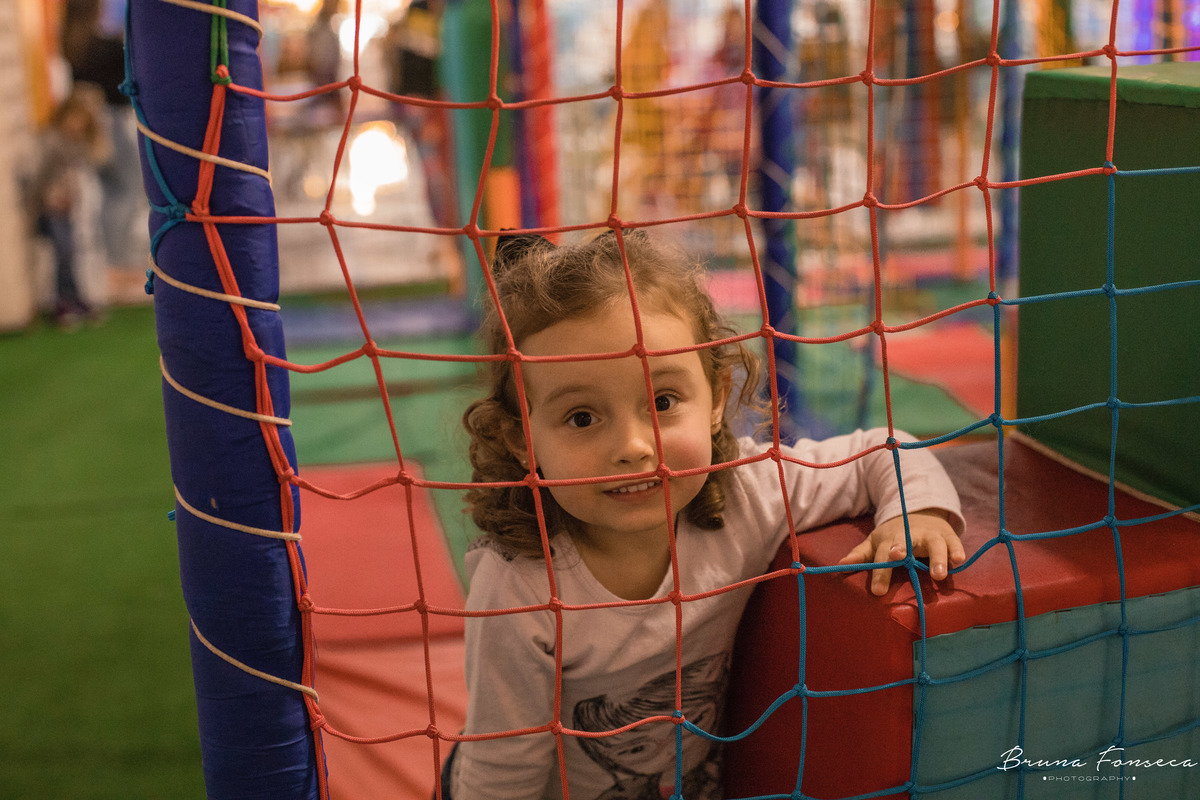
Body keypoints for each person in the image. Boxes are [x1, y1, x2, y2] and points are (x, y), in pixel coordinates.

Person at [450, 231, 966, 800]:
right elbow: (502, 775)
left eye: (664, 403)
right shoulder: (521, 583)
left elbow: (883, 449)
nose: (633, 446)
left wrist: (913, 514)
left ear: (717, 396)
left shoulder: (748, 497)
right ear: (522, 438)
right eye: (581, 418)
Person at [29, 83, 112, 327]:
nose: (77, 125)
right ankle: (63, 302)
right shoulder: (52, 141)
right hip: (50, 206)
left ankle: (76, 297)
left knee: (74, 252)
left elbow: (101, 157)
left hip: (71, 206)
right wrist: (41, 202)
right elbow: (40, 177)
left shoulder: (78, 143)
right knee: (63, 253)